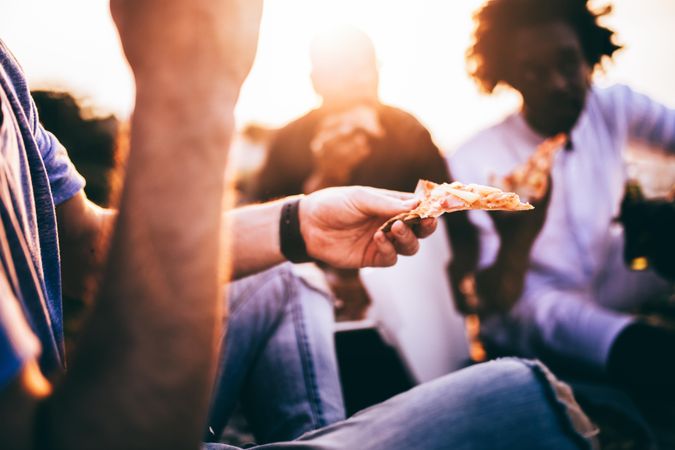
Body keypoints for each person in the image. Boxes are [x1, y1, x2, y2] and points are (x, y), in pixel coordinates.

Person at [0, 1, 599, 449]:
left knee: (294, 276)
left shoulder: (8, 80)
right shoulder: (291, 138)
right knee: (532, 397)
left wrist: (301, 225)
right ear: (315, 80)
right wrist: (189, 81)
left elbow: (83, 246)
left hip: (404, 315)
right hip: (90, 423)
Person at [449, 0, 675, 404]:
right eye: (533, 70)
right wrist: (518, 238)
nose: (555, 83)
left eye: (568, 62)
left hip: (610, 271)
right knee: (653, 355)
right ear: (508, 75)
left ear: (589, 56)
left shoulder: (613, 107)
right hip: (536, 304)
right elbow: (489, 301)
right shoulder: (472, 159)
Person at [252, 25, 477, 320]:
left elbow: (457, 230)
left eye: (366, 68)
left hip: (407, 303)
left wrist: (383, 280)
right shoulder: (289, 141)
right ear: (316, 82)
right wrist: (324, 176)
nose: (358, 81)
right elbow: (264, 226)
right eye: (340, 71)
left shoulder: (408, 132)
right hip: (311, 306)